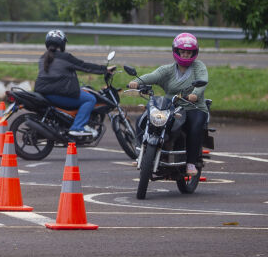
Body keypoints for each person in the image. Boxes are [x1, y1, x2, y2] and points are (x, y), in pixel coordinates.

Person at [128, 32, 208, 176]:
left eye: (188, 52)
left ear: (194, 53)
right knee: (142, 119)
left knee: (195, 127)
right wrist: (137, 82)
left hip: (194, 107)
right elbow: (153, 76)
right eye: (182, 51)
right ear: (176, 51)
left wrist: (195, 95)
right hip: (171, 106)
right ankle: (141, 153)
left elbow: (202, 81)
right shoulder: (168, 69)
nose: (185, 55)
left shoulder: (199, 67)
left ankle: (190, 163)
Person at [34, 30, 116, 137]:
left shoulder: (43, 58)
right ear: (62, 43)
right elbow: (84, 66)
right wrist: (104, 69)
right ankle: (78, 126)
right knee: (90, 99)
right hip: (58, 94)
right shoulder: (65, 57)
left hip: (44, 94)